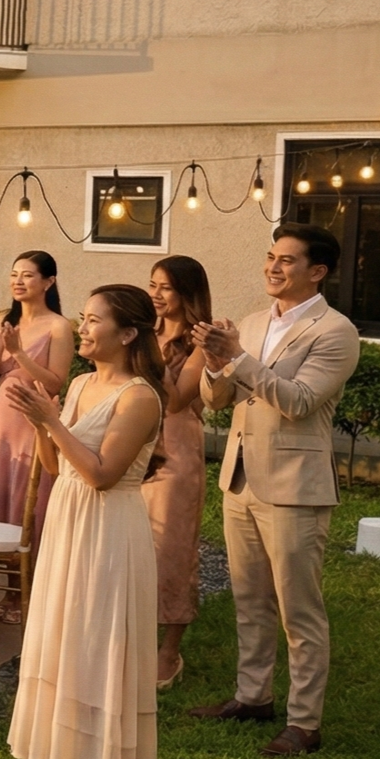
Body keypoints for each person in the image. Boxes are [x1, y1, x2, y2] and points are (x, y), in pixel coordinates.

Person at [190, 224, 359, 758]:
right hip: (241, 477)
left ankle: (305, 723)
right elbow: (218, 400)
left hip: (295, 487)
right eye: (270, 257)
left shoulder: (335, 330)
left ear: (317, 271)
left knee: (298, 610)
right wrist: (216, 365)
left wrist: (237, 358)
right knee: (249, 599)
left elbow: (301, 401)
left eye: (287, 260)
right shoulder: (254, 321)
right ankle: (251, 697)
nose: (273, 267)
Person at [4, 284, 166, 759]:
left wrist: (51, 421)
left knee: (101, 650)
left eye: (95, 320)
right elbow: (55, 466)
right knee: (69, 645)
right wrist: (39, 421)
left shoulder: (139, 397)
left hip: (109, 530)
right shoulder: (77, 384)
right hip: (68, 523)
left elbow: (102, 473)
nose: (84, 328)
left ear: (127, 334)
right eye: (84, 317)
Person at [0, 251, 74, 624]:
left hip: (32, 420)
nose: (18, 282)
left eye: (28, 276)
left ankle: (27, 593)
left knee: (29, 502)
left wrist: (19, 354)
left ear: (48, 282)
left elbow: (54, 382)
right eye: (14, 274)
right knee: (0, 498)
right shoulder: (5, 320)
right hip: (2, 417)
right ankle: (7, 588)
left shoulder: (58, 327)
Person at [144, 256, 211, 690]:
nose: (155, 294)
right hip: (137, 444)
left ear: (186, 294)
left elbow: (176, 400)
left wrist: (148, 354)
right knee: (134, 545)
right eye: (152, 285)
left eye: (165, 287)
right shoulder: (146, 333)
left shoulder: (200, 342)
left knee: (172, 550)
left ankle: (170, 650)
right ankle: (130, 639)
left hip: (178, 448)